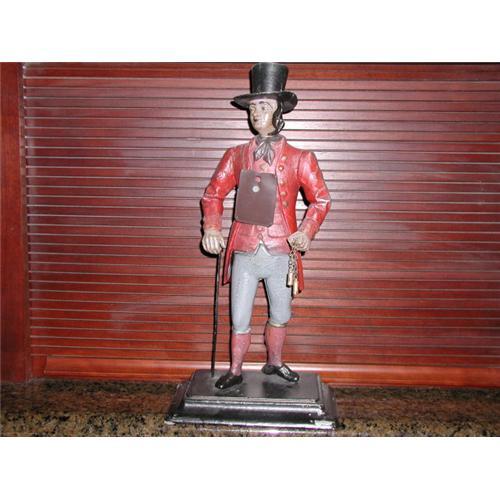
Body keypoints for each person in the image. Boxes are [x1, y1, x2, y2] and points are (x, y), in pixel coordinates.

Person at [201, 62, 331, 389]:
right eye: (253, 107)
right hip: (245, 249)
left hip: (280, 250)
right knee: (239, 316)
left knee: (281, 314)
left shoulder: (301, 158)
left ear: (279, 111)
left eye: (264, 106)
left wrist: (306, 231)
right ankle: (235, 369)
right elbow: (213, 194)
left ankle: (275, 361)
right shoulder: (235, 155)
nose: (256, 113)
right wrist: (212, 228)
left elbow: (321, 200)